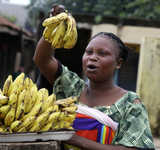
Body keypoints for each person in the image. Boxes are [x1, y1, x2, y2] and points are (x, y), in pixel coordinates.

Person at [33, 4, 155, 150]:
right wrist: (54, 25)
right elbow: (42, 59)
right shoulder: (72, 87)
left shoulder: (130, 104)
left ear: (118, 63)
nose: (92, 58)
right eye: (88, 52)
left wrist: (76, 140)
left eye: (102, 54)